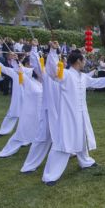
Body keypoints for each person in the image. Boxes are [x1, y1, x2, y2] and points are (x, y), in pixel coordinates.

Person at [41, 50, 105, 186]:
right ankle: (50, 175)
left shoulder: (83, 77)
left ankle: (85, 161)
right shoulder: (65, 74)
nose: (85, 62)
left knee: (82, 137)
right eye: (83, 60)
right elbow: (52, 70)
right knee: (64, 143)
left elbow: (96, 82)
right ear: (78, 61)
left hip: (81, 114)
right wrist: (53, 51)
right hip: (68, 115)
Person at [0, 55, 42, 157]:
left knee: (33, 122)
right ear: (26, 63)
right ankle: (3, 131)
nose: (32, 66)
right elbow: (5, 69)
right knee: (13, 115)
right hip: (19, 99)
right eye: (30, 63)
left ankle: (29, 140)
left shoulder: (35, 76)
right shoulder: (17, 72)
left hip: (31, 102)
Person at [21, 40, 61, 173]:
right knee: (41, 138)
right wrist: (35, 47)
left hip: (61, 112)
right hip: (48, 111)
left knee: (68, 133)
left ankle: (76, 154)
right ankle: (30, 165)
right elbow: (36, 62)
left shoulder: (64, 75)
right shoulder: (45, 74)